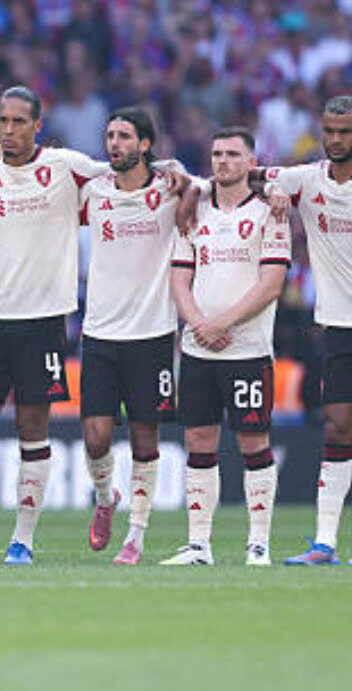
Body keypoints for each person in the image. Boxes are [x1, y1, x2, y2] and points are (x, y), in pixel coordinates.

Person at [0, 85, 183, 566]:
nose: (9, 129)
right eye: (2, 120)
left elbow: (127, 169)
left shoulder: (67, 167)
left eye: (19, 121)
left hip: (44, 321)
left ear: (37, 126)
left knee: (31, 429)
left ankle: (22, 540)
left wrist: (176, 171)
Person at [162, 128, 290, 567]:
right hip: (199, 350)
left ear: (251, 162)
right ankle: (199, 545)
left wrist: (222, 322)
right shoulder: (192, 211)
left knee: (253, 442)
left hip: (248, 350)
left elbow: (271, 285)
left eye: (233, 154)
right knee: (198, 440)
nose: (223, 161)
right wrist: (199, 324)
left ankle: (259, 544)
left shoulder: (270, 213)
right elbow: (179, 279)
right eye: (216, 154)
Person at [78, 108, 181, 565]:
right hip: (99, 331)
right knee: (96, 437)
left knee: (145, 440)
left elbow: (209, 184)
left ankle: (135, 537)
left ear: (145, 144)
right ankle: (105, 499)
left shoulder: (172, 190)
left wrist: (180, 174)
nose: (114, 143)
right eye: (110, 135)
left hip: (152, 333)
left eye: (124, 136)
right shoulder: (92, 190)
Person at [257, 95, 352, 566]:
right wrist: (269, 190)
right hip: (338, 326)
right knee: (338, 427)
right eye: (329, 131)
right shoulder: (307, 180)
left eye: (344, 131)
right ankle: (325, 543)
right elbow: (247, 178)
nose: (335, 140)